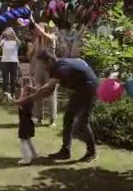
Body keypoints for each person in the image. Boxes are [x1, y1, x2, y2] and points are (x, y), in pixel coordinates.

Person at [29, 33, 100, 162]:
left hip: (90, 88)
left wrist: (29, 99)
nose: (43, 68)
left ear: (49, 60)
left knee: (82, 123)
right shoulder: (56, 67)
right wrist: (35, 93)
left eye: (43, 64)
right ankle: (65, 151)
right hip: (80, 89)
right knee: (68, 118)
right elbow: (49, 90)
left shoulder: (61, 67)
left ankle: (92, 152)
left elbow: (46, 89)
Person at [27, 22, 58, 127]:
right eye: (37, 29)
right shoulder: (36, 40)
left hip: (50, 68)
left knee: (51, 93)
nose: (37, 30)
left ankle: (52, 120)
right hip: (38, 67)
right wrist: (30, 51)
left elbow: (44, 35)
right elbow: (31, 56)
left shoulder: (51, 37)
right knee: (38, 91)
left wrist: (32, 20)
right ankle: (39, 118)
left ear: (45, 29)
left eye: (39, 28)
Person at [13, 82, 38, 165]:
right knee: (28, 140)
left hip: (24, 124)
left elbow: (17, 102)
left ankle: (27, 159)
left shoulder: (25, 101)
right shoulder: (30, 100)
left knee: (23, 141)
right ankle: (34, 154)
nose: (22, 92)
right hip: (29, 124)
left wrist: (9, 98)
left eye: (24, 91)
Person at [0, 27, 21, 100]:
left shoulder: (16, 41)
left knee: (13, 79)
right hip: (5, 61)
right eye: (8, 32)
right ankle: (4, 94)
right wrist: (2, 35)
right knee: (5, 80)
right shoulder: (4, 41)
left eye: (10, 32)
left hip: (14, 62)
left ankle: (13, 94)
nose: (9, 33)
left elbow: (20, 44)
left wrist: (14, 35)